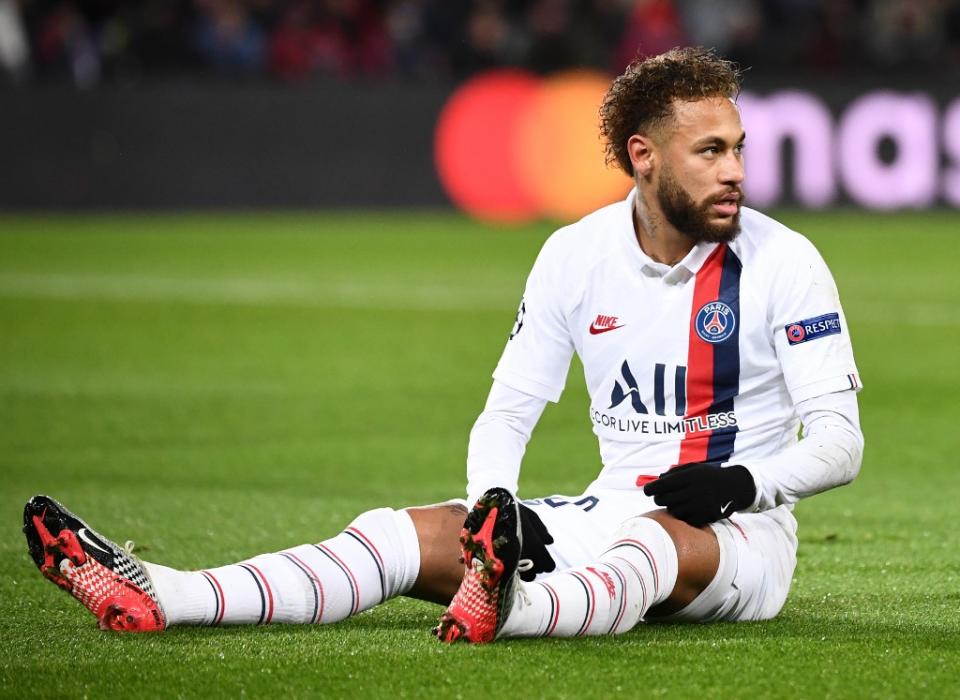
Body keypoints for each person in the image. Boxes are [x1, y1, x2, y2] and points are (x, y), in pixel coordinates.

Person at [23, 46, 864, 642]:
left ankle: (511, 609)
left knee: (648, 544)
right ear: (644, 158)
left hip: (738, 540)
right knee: (405, 531)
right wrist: (495, 507)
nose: (736, 172)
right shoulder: (575, 254)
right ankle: (167, 593)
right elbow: (507, 412)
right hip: (608, 506)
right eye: (710, 151)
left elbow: (840, 443)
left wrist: (745, 479)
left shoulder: (784, 261)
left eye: (739, 149)